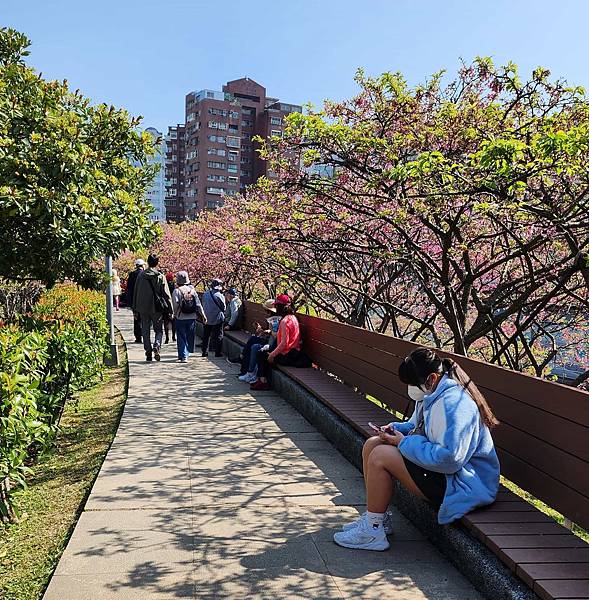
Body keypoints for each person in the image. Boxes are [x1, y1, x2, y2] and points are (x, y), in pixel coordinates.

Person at [333, 347, 500, 551]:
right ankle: (377, 519)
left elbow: (450, 459)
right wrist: (395, 429)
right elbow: (416, 424)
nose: (411, 389)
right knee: (373, 444)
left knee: (380, 456)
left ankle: (372, 531)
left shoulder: (454, 405)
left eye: (413, 383)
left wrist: (402, 443)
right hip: (446, 473)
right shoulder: (433, 392)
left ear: (430, 378)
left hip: (463, 484)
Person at [250, 294, 307, 391]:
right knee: (264, 353)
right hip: (294, 353)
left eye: (276, 306)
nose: (275, 308)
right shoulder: (293, 318)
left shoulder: (284, 321)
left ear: (280, 307)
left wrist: (272, 354)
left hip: (287, 355)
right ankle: (261, 380)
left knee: (262, 355)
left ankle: (263, 382)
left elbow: (284, 343)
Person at [133, 254, 173, 362]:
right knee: (158, 330)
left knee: (145, 330)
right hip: (157, 308)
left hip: (143, 308)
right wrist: (170, 309)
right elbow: (166, 294)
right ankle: (157, 344)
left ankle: (148, 352)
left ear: (148, 262)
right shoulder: (160, 276)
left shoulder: (141, 276)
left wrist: (135, 309)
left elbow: (136, 292)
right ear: (157, 263)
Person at [238, 306, 281, 383]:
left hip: (273, 345)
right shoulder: (272, 319)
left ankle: (247, 369)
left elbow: (275, 335)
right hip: (269, 341)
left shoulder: (277, 320)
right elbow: (270, 333)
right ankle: (247, 370)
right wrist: (261, 330)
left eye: (267, 310)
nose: (266, 312)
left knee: (255, 347)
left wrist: (268, 331)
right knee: (253, 341)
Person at [171, 271, 206, 363]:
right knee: (189, 336)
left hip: (180, 317)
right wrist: (203, 315)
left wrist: (174, 314)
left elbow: (175, 305)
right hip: (192, 317)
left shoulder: (176, 291)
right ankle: (186, 353)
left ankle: (183, 356)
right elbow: (198, 304)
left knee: (181, 336)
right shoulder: (192, 291)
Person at [201, 279, 226, 358]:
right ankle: (217, 352)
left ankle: (204, 352)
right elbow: (224, 308)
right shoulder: (220, 296)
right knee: (219, 335)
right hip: (217, 318)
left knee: (206, 335)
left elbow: (203, 304)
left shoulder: (205, 294)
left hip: (207, 318)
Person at [126, 259, 145, 343]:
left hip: (135, 300)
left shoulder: (132, 274)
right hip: (144, 299)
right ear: (142, 265)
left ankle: (138, 337)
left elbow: (129, 289)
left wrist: (129, 301)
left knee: (136, 318)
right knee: (144, 318)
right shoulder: (145, 274)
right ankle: (144, 335)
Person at [164, 271, 176, 344]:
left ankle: (167, 338)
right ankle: (173, 336)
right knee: (173, 322)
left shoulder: (164, 285)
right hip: (173, 305)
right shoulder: (174, 286)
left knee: (166, 322)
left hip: (165, 305)